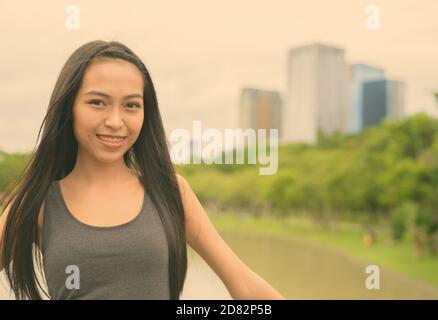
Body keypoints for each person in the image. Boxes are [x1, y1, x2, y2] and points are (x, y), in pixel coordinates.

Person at [0, 40, 284, 300]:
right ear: (69, 107)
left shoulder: (171, 192)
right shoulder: (37, 202)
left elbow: (244, 285)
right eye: (97, 102)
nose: (115, 121)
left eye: (131, 105)